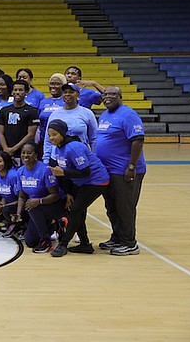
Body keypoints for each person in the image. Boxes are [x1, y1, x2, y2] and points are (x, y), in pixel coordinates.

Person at [47, 120, 110, 258]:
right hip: (81, 182)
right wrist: (69, 191)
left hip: (97, 181)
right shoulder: (58, 149)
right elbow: (67, 173)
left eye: (55, 134)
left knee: (76, 210)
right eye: (49, 135)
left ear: (63, 133)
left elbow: (85, 171)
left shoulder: (74, 147)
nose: (51, 138)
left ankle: (63, 244)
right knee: (75, 210)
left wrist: (63, 173)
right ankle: (85, 244)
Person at [96, 86, 146, 256]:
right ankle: (117, 237)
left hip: (125, 170)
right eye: (106, 94)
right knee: (112, 207)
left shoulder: (128, 114)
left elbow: (138, 140)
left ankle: (129, 243)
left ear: (120, 97)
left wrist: (131, 166)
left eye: (113, 94)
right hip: (108, 170)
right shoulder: (105, 115)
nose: (108, 97)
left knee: (125, 207)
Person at [13, 142, 66, 253]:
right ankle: (56, 225)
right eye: (23, 153)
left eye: (29, 153)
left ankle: (45, 240)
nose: (25, 156)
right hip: (37, 208)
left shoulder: (45, 170)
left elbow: (55, 195)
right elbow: (22, 196)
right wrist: (18, 213)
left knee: (32, 206)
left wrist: (39, 201)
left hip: (54, 205)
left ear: (36, 155)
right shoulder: (20, 171)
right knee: (30, 242)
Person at [42, 83, 97, 164]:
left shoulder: (87, 113)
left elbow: (94, 138)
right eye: (65, 92)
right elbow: (48, 140)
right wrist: (46, 159)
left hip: (80, 157)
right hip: (57, 158)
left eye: (71, 92)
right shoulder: (54, 114)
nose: (67, 94)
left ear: (77, 94)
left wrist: (93, 156)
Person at [0, 79, 39, 165]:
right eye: (15, 90)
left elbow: (31, 134)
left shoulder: (32, 111)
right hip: (6, 152)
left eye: (20, 90)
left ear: (26, 92)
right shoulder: (4, 110)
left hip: (24, 153)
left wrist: (14, 149)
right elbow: (0, 132)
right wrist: (6, 150)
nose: (17, 92)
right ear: (11, 91)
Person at [37, 73, 65, 145]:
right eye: (51, 83)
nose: (53, 86)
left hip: (61, 141)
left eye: (57, 84)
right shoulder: (43, 102)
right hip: (44, 141)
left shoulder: (66, 101)